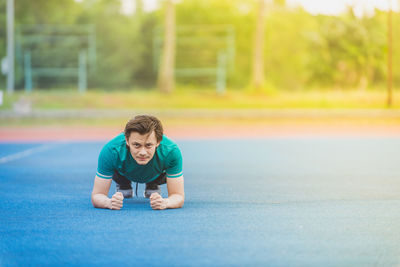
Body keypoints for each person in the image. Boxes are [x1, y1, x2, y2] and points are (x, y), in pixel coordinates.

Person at [91, 115, 184, 210]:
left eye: (148, 145)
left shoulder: (171, 151)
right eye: (136, 145)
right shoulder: (111, 151)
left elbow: (178, 196)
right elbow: (97, 195)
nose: (142, 152)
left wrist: (165, 203)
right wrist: (108, 203)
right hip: (122, 173)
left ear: (158, 142)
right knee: (112, 163)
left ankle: (152, 183)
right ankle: (124, 183)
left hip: (157, 174)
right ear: (126, 140)